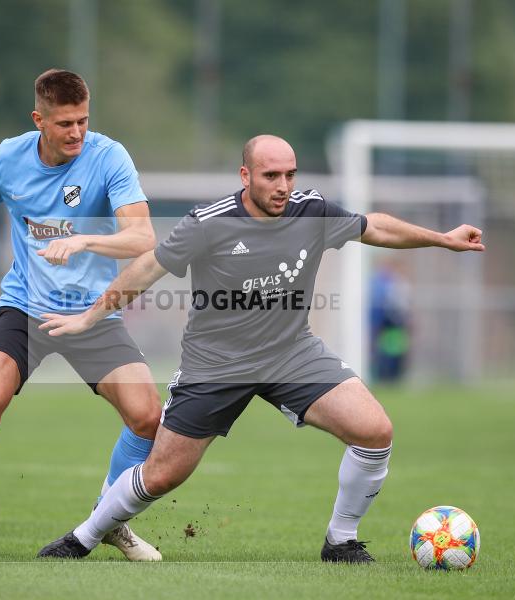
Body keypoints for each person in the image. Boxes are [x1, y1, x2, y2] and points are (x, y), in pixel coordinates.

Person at [35, 135, 484, 562]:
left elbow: (374, 228)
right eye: (271, 175)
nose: (283, 186)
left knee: (375, 431)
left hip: (291, 354)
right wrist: (89, 318)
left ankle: (341, 542)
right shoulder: (209, 224)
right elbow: (146, 270)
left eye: (290, 174)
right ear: (245, 175)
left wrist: (442, 238)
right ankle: (84, 537)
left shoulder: (311, 211)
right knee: (161, 475)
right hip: (216, 365)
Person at [0, 69, 162, 561]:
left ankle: (107, 518)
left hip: (91, 314)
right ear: (38, 119)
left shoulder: (109, 157)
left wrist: (85, 238)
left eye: (84, 121)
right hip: (25, 307)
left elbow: (143, 238)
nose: (77, 133)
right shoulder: (9, 157)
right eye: (65, 123)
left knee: (148, 417)